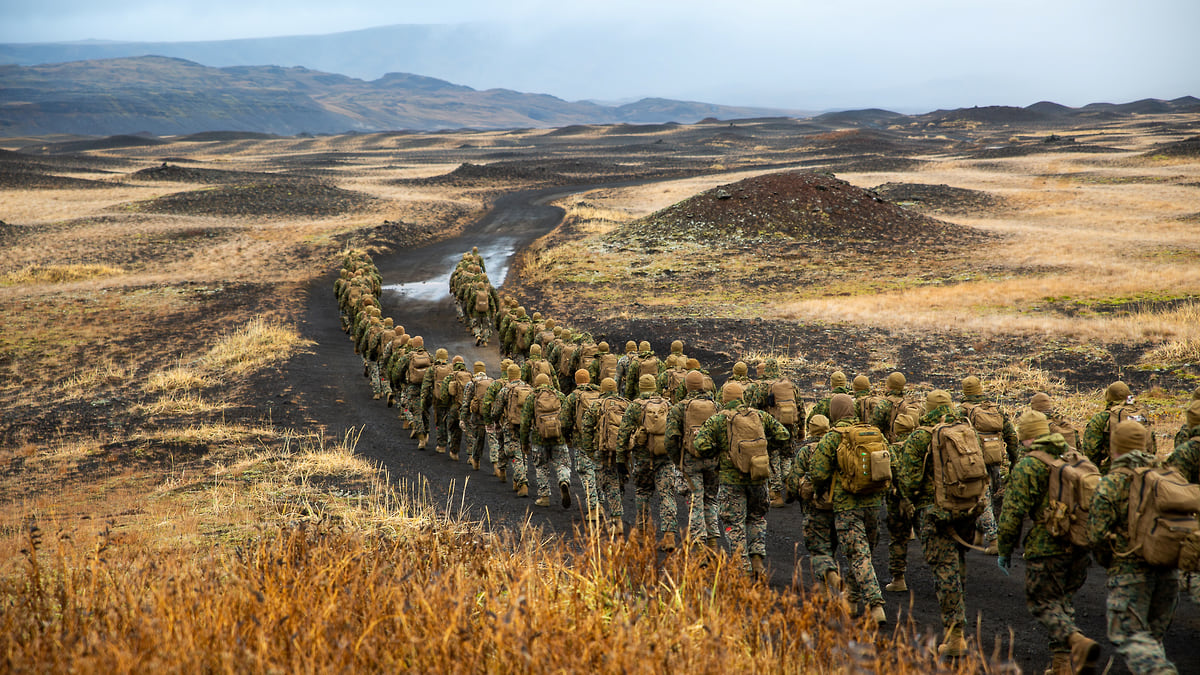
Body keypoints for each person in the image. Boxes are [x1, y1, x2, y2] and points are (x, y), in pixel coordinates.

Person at [997, 410, 1100, 675]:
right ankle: (1061, 665)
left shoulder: (1030, 465)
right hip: (1080, 541)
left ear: (1028, 438)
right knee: (1063, 601)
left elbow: (1012, 513)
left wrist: (1004, 549)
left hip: (1048, 545)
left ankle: (1077, 642)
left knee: (1042, 602)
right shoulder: (1075, 456)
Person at [1088, 421, 1180, 675]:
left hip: (1130, 572)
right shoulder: (1169, 476)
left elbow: (1096, 537)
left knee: (1130, 635)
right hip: (1169, 572)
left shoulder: (1111, 483)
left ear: (1115, 446)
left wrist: (1112, 562)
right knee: (1152, 639)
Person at [897, 390, 983, 658]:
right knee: (957, 564)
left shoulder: (921, 436)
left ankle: (955, 636)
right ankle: (958, 617)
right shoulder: (968, 431)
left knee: (944, 571)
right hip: (967, 509)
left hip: (934, 513)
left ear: (928, 408)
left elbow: (908, 481)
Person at [693, 382, 790, 577]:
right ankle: (758, 563)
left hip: (731, 482)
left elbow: (700, 445)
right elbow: (784, 435)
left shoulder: (719, 420)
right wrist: (762, 450)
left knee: (734, 524)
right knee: (756, 519)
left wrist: (720, 450)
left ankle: (741, 569)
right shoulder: (759, 416)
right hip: (759, 478)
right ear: (742, 397)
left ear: (724, 399)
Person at [808, 393, 888, 625]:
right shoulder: (873, 432)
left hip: (846, 506)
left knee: (858, 555)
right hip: (873, 502)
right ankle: (851, 601)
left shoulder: (833, 438)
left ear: (833, 413)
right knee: (864, 554)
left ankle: (875, 605)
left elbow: (818, 473)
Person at [617, 374, 678, 550]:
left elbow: (623, 433)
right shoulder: (667, 405)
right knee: (667, 495)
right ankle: (669, 537)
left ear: (640, 386)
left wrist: (621, 459)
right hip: (665, 459)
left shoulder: (635, 407)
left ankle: (641, 535)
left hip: (642, 459)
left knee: (643, 493)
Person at [959, 375, 1018, 555]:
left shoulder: (962, 411)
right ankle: (979, 534)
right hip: (995, 458)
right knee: (989, 497)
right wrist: (1013, 459)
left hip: (975, 460)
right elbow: (1011, 436)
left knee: (982, 499)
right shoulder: (994, 409)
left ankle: (993, 540)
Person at [666, 370, 721, 551]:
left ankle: (699, 546)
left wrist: (678, 461)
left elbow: (671, 440)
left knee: (695, 500)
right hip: (713, 460)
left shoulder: (680, 408)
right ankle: (713, 542)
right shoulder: (716, 406)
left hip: (690, 461)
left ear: (687, 386)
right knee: (711, 499)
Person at [788, 414, 838, 591]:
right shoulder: (837, 446)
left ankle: (829, 579)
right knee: (831, 545)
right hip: (838, 506)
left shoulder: (805, 451)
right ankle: (825, 586)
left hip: (814, 508)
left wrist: (792, 496)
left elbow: (794, 483)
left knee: (818, 548)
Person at [747, 358, 804, 509]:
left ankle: (777, 495)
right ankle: (790, 485)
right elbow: (801, 409)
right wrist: (801, 430)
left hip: (771, 429)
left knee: (773, 462)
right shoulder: (791, 386)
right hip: (790, 428)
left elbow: (753, 408)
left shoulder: (764, 387)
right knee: (787, 459)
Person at [580, 377, 630, 535]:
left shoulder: (596, 406)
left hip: (602, 452)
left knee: (602, 484)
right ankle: (618, 518)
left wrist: (590, 452)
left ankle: (608, 519)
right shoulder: (626, 404)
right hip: (621, 452)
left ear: (601, 389)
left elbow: (586, 429)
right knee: (617, 483)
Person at [520, 373, 573, 508]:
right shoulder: (559, 396)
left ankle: (544, 497)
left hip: (539, 440)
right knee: (563, 464)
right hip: (558, 438)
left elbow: (525, 422)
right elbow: (567, 419)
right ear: (549, 382)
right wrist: (567, 436)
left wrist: (524, 442)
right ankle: (563, 480)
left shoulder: (532, 397)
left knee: (541, 467)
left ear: (536, 383)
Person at [1082, 381, 1154, 474]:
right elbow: (1152, 446)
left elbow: (1090, 450)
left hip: (1114, 472)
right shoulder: (1142, 415)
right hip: (1144, 472)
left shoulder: (1102, 418)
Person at [883, 413, 917, 593]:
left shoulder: (890, 449)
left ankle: (898, 578)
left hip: (897, 502)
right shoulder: (921, 445)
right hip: (921, 499)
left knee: (898, 540)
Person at [565, 370, 603, 527]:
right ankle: (599, 504)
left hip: (581, 441)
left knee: (586, 473)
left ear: (576, 380)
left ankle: (593, 508)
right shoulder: (600, 393)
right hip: (600, 440)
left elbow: (565, 421)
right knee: (598, 471)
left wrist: (567, 438)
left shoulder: (573, 397)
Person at [490, 363, 531, 498]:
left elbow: (496, 411)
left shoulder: (505, 390)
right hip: (526, 426)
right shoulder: (529, 388)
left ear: (509, 375)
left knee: (515, 455)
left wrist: (495, 420)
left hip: (511, 426)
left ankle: (522, 482)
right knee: (523, 453)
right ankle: (517, 478)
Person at [459, 361, 495, 471]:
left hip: (477, 418)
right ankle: (496, 464)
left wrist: (463, 419)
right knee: (493, 440)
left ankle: (476, 461)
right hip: (490, 417)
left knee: (478, 439)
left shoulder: (471, 383)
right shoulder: (492, 382)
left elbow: (465, 403)